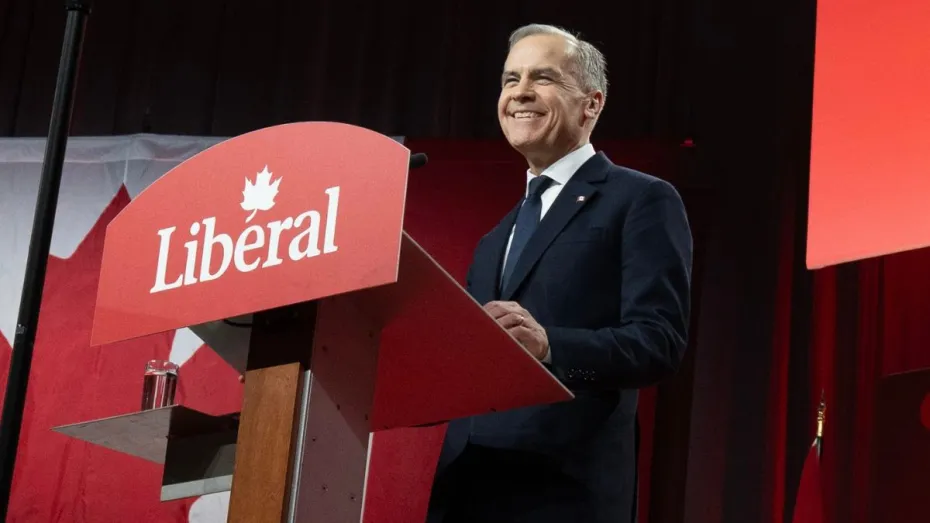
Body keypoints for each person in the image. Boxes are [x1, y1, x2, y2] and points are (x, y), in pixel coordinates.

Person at [426, 23, 693, 523]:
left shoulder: (640, 199)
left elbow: (658, 343)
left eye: (542, 77)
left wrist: (550, 346)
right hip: (467, 489)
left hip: (565, 492)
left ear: (592, 103)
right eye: (510, 79)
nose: (520, 92)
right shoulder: (493, 241)